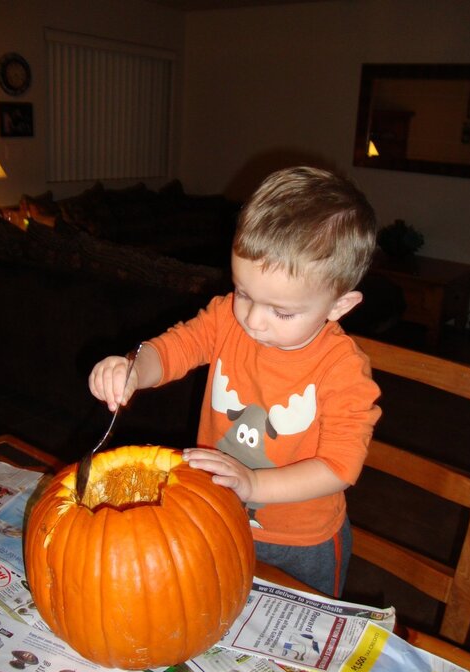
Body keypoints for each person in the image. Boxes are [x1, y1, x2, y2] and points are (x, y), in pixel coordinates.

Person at [89, 166, 381, 597]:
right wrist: (134, 367)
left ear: (340, 305)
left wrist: (254, 484)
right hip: (217, 515)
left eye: (282, 312)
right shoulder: (228, 317)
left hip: (301, 543)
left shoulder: (342, 369)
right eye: (244, 292)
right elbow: (175, 349)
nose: (253, 320)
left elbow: (339, 467)